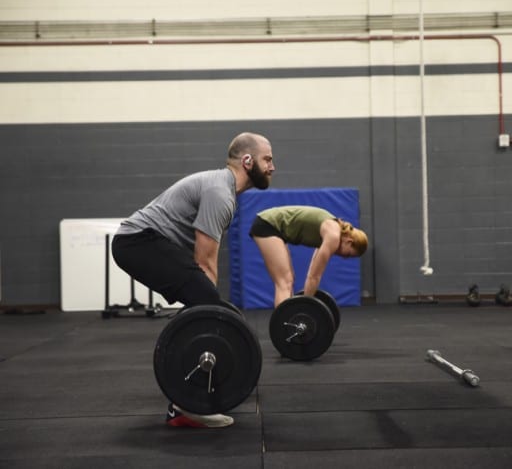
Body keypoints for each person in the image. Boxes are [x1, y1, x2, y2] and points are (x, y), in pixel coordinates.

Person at [112, 132, 275, 428]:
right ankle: (185, 405)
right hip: (137, 242)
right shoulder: (219, 193)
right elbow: (205, 263)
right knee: (209, 305)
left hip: (145, 243)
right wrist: (212, 313)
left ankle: (200, 393)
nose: (272, 167)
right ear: (247, 161)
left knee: (212, 307)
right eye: (268, 159)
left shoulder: (223, 190)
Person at [249, 205, 368, 308]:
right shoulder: (333, 236)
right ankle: (284, 326)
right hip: (268, 225)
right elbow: (314, 277)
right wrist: (305, 308)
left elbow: (312, 271)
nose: (343, 257)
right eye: (347, 254)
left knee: (289, 279)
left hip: (273, 227)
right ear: (349, 241)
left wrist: (305, 305)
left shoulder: (330, 232)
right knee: (284, 282)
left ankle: (288, 319)